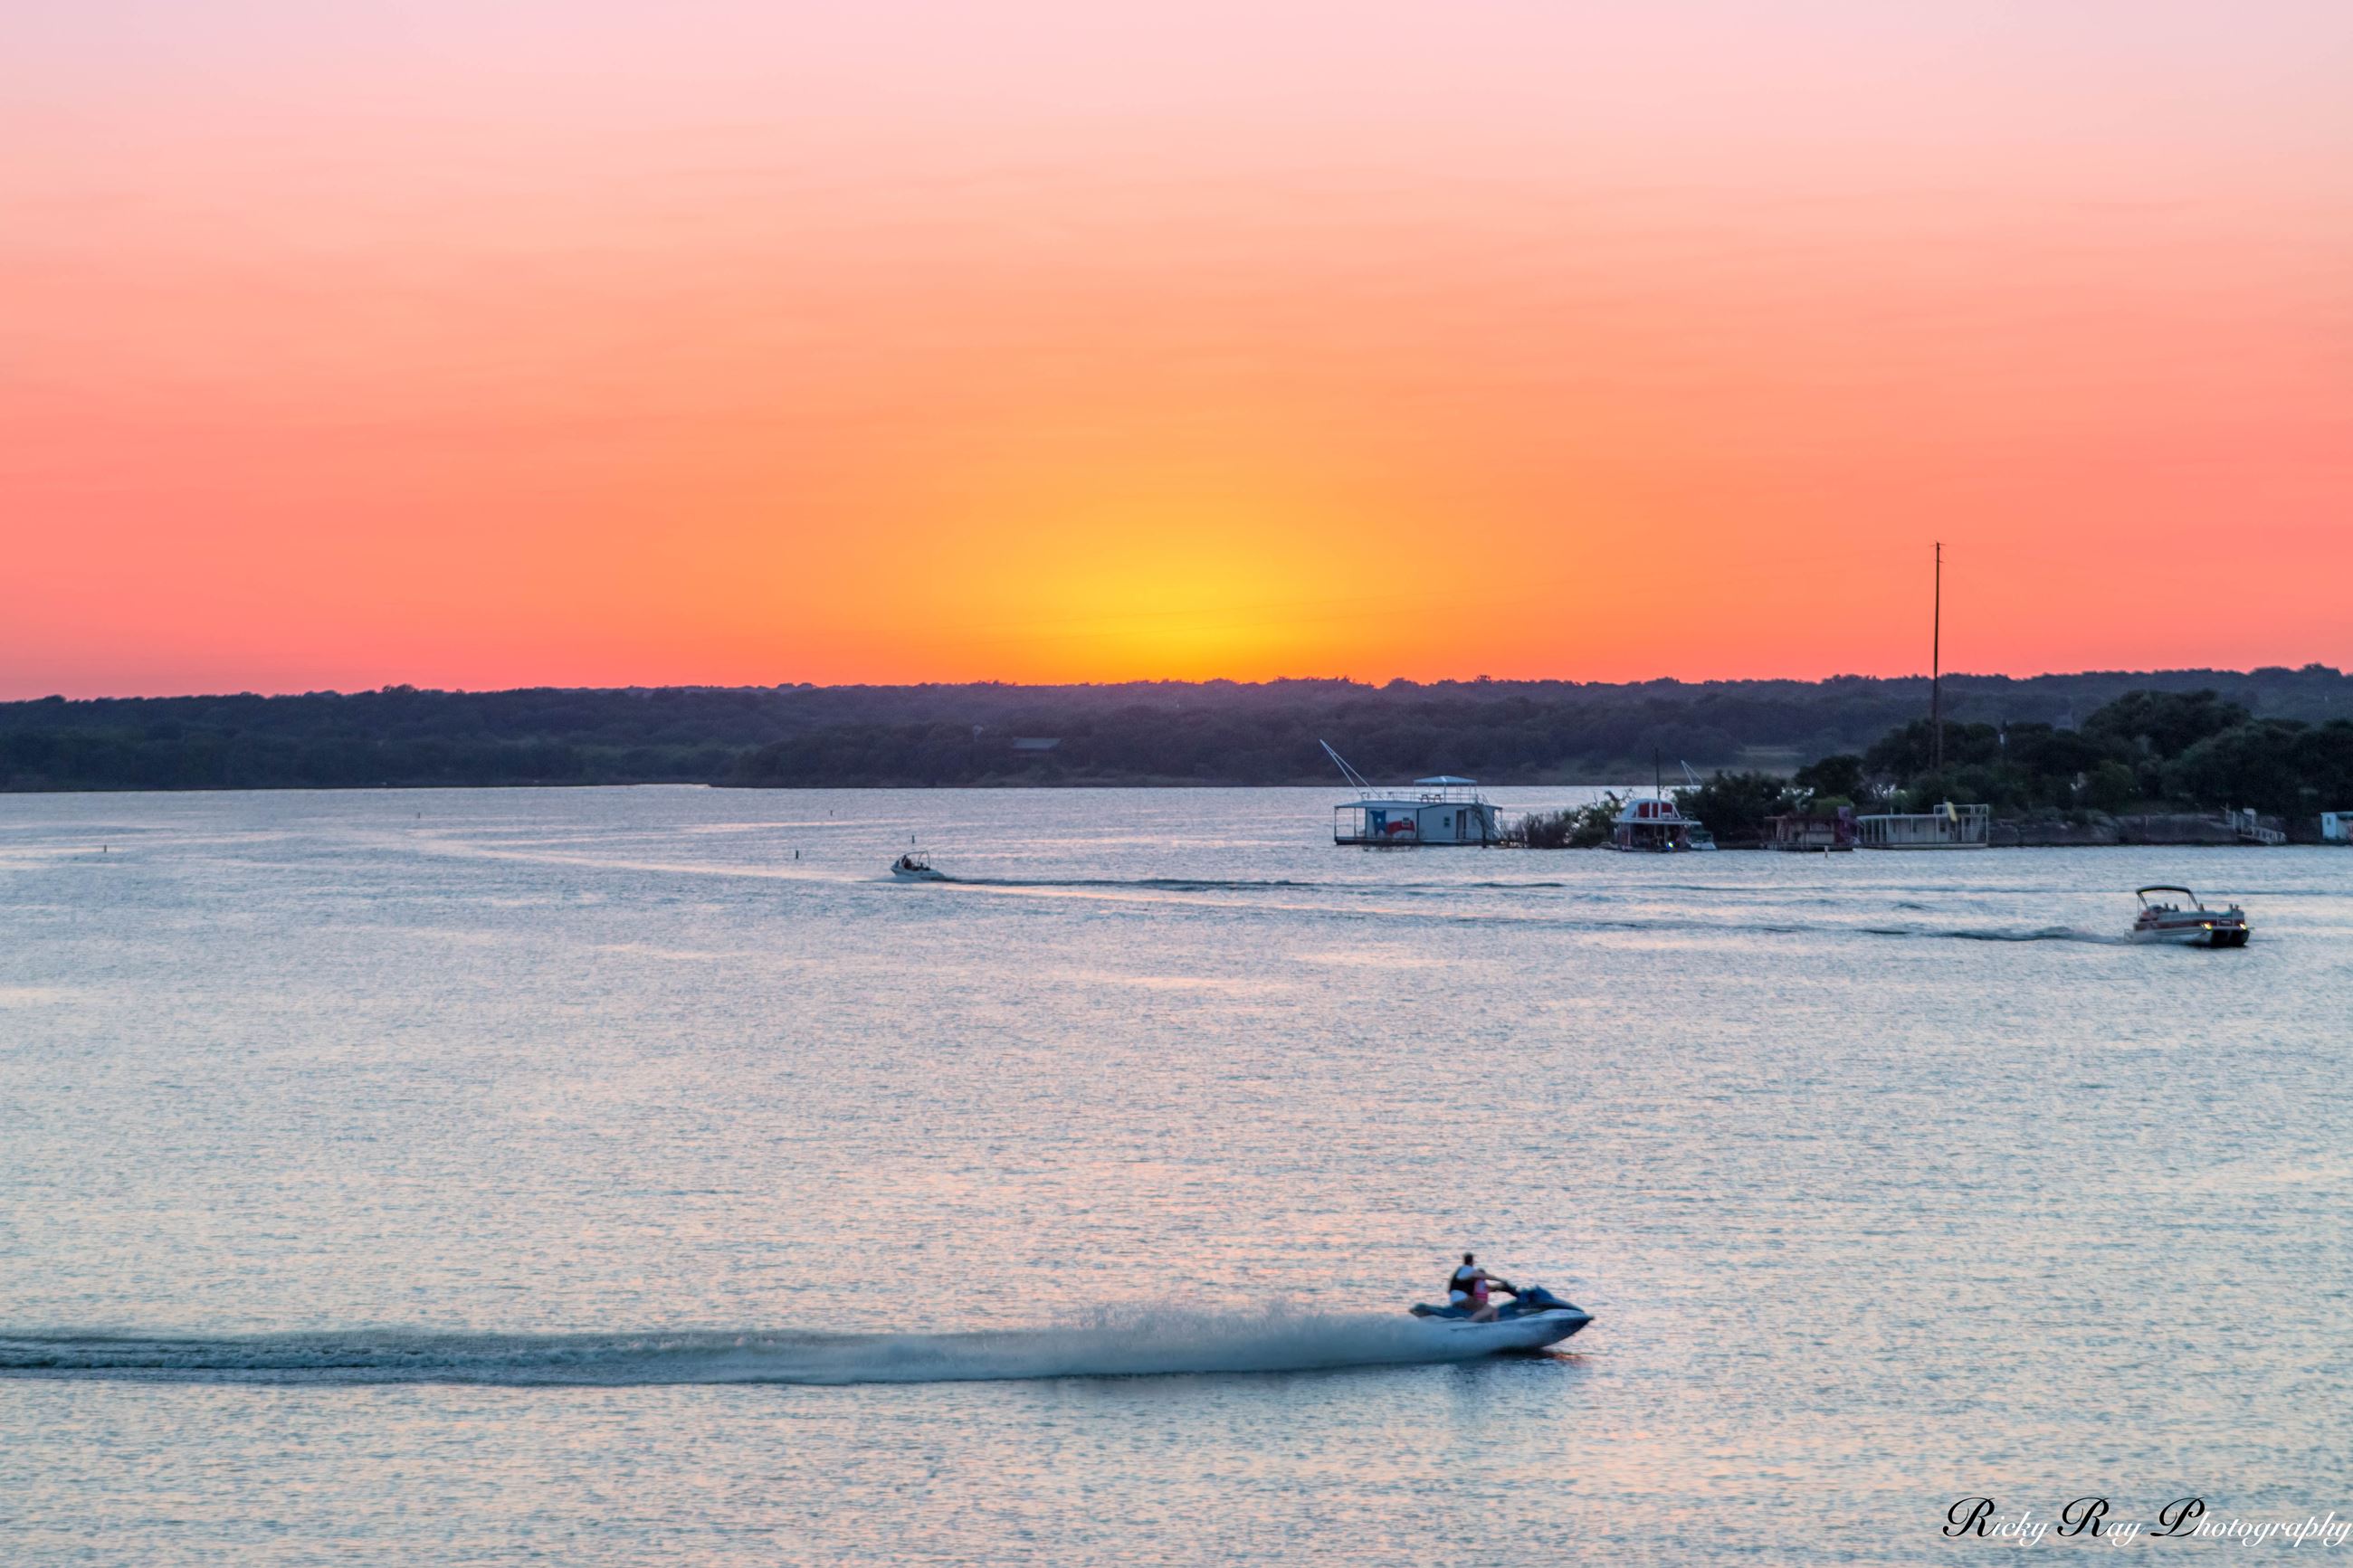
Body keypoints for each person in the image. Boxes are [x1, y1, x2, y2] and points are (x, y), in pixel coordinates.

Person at [1447, 1252, 1506, 1323]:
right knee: (1491, 1310)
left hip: (1454, 1301)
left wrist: (1497, 1288)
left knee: (1483, 1309)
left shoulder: (1459, 1271)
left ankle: (1481, 1322)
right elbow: (1486, 1276)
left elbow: (1485, 1289)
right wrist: (1501, 1280)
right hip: (1463, 1299)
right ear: (1472, 1262)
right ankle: (1469, 1322)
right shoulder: (1469, 1270)